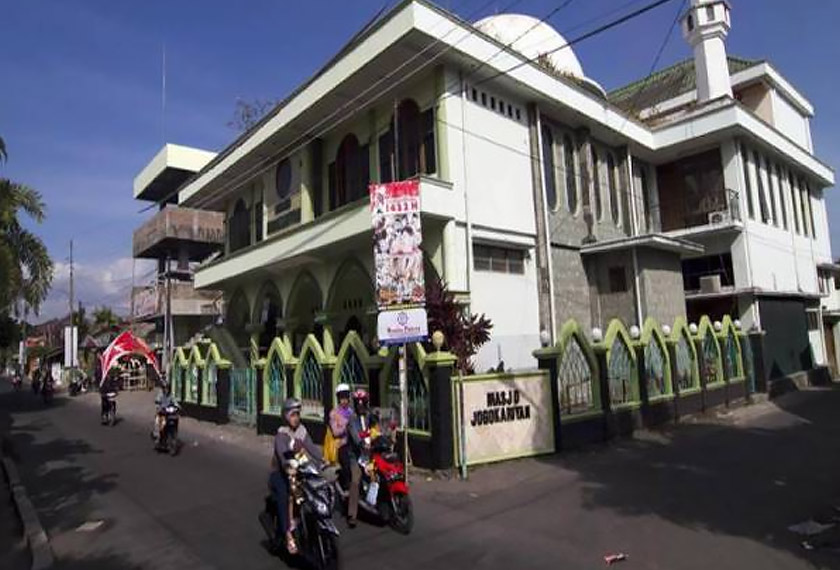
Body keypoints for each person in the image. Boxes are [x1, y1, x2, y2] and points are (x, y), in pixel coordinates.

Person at [270, 397, 323, 554]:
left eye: (298, 414)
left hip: (298, 471)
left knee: (312, 490)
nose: (296, 418)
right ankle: (288, 536)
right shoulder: (281, 435)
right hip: (280, 473)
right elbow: (282, 455)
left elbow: (312, 448)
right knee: (285, 497)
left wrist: (324, 460)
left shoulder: (301, 431)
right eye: (293, 415)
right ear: (286, 416)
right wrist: (288, 467)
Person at [329, 384, 361, 527]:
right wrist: (346, 425)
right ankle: (351, 513)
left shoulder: (353, 412)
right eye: (341, 398)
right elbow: (335, 432)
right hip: (342, 446)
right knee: (351, 475)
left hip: (356, 446)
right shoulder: (334, 413)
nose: (344, 401)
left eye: (346, 398)